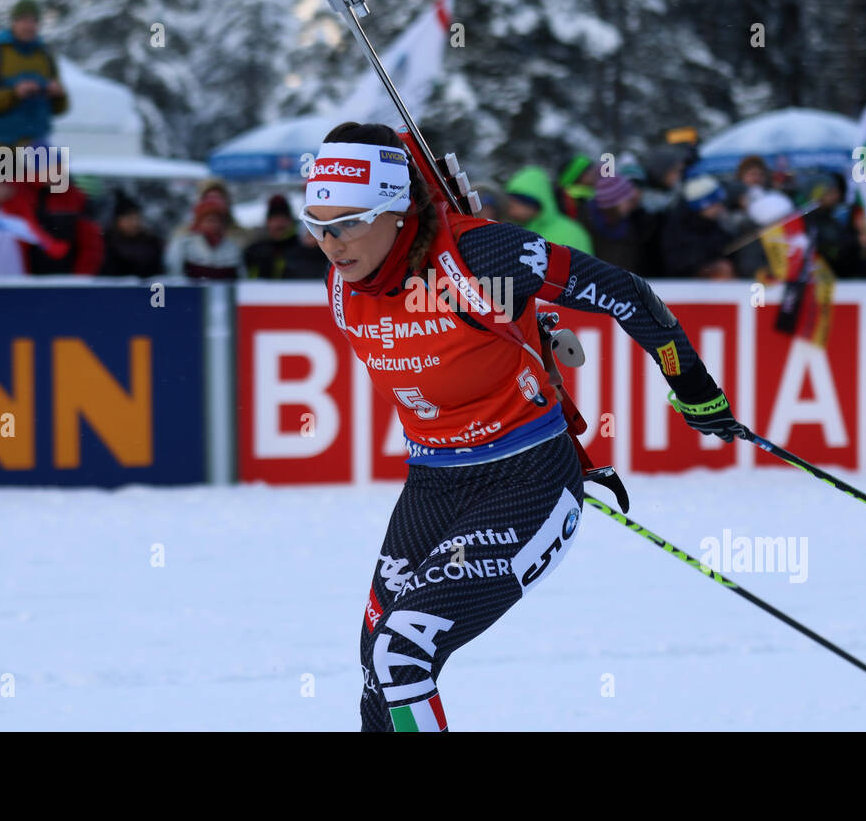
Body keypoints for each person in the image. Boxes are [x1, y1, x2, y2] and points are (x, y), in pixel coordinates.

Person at [301, 122, 744, 732]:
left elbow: (630, 295)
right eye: (318, 226)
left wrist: (694, 391)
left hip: (528, 479)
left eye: (350, 222)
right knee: (378, 668)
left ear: (399, 210)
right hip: (434, 482)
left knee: (401, 655)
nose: (332, 243)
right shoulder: (342, 287)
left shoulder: (479, 256)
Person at [0, 0, 68, 149]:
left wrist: (58, 95)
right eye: (24, 20)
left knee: (62, 172)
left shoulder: (46, 57)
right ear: (13, 22)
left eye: (34, 21)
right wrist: (14, 94)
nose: (29, 26)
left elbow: (60, 108)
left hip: (37, 147)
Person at [501, 165, 593, 252]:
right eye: (510, 199)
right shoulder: (507, 232)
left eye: (520, 200)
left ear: (538, 202)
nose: (512, 205)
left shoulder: (571, 233)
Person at [164, 188, 244, 279]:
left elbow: (240, 277)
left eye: (218, 220)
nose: (214, 224)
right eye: (209, 220)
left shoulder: (232, 248)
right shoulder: (183, 245)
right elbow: (174, 274)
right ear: (199, 222)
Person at [243, 193, 327, 279]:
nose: (279, 224)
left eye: (283, 219)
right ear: (268, 222)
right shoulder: (255, 251)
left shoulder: (304, 248)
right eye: (274, 219)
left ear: (291, 222)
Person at [101, 190, 164, 278]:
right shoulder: (106, 243)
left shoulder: (151, 242)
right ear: (118, 220)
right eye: (129, 219)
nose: (134, 223)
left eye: (136, 218)